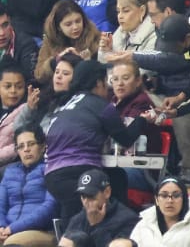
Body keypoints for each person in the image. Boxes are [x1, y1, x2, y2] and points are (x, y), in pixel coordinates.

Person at [42, 61, 144, 221]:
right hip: (80, 173)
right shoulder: (100, 105)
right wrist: (142, 119)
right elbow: (126, 139)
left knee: (116, 176)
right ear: (98, 82)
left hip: (51, 176)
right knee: (98, 218)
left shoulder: (63, 104)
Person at [0, 126, 56, 247]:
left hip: (41, 230)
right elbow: (1, 205)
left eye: (31, 144)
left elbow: (50, 208)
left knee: (12, 243)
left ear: (42, 147)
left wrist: (13, 228)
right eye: (21, 146)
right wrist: (1, 226)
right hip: (7, 230)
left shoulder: (51, 169)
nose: (26, 150)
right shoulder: (10, 172)